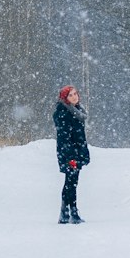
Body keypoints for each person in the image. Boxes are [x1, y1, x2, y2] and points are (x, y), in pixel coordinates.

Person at [53, 84, 89, 224]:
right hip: (69, 154)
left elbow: (80, 137)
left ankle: (68, 212)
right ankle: (68, 212)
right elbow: (64, 139)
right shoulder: (63, 113)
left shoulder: (77, 111)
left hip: (76, 153)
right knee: (70, 182)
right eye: (70, 95)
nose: (74, 96)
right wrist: (70, 158)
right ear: (65, 98)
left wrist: (83, 153)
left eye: (75, 94)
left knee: (72, 182)